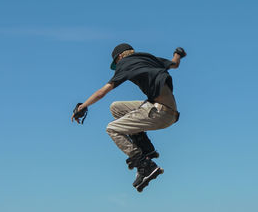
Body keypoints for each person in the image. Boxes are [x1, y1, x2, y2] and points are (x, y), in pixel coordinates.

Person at [71, 43, 186, 192]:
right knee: (116, 108)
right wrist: (178, 53)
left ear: (119, 57)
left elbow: (102, 92)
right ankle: (146, 148)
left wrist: (82, 107)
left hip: (160, 113)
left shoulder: (124, 64)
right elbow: (175, 64)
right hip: (166, 110)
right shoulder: (148, 58)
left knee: (112, 128)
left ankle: (145, 165)